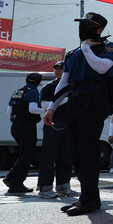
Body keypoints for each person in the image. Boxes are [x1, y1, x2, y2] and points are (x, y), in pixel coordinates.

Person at [43, 12, 113, 216]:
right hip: (75, 101)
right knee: (76, 152)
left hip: (95, 100)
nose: (82, 28)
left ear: (99, 30)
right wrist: (52, 107)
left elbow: (102, 68)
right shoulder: (73, 54)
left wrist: (86, 48)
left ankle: (88, 199)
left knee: (87, 151)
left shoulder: (108, 47)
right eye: (82, 24)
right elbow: (64, 82)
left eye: (87, 26)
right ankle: (89, 198)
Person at [3, 72, 45, 194]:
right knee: (27, 156)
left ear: (26, 79)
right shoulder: (33, 92)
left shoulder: (17, 91)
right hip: (27, 127)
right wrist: (48, 110)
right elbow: (32, 109)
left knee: (23, 155)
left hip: (15, 126)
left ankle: (11, 178)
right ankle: (16, 184)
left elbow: (9, 112)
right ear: (39, 82)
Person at [38, 62, 75, 199]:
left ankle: (63, 186)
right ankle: (44, 188)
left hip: (69, 123)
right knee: (49, 156)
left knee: (66, 156)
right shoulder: (50, 87)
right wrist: (66, 99)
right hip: (54, 123)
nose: (58, 71)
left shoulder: (71, 85)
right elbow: (45, 105)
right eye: (56, 69)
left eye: (61, 69)